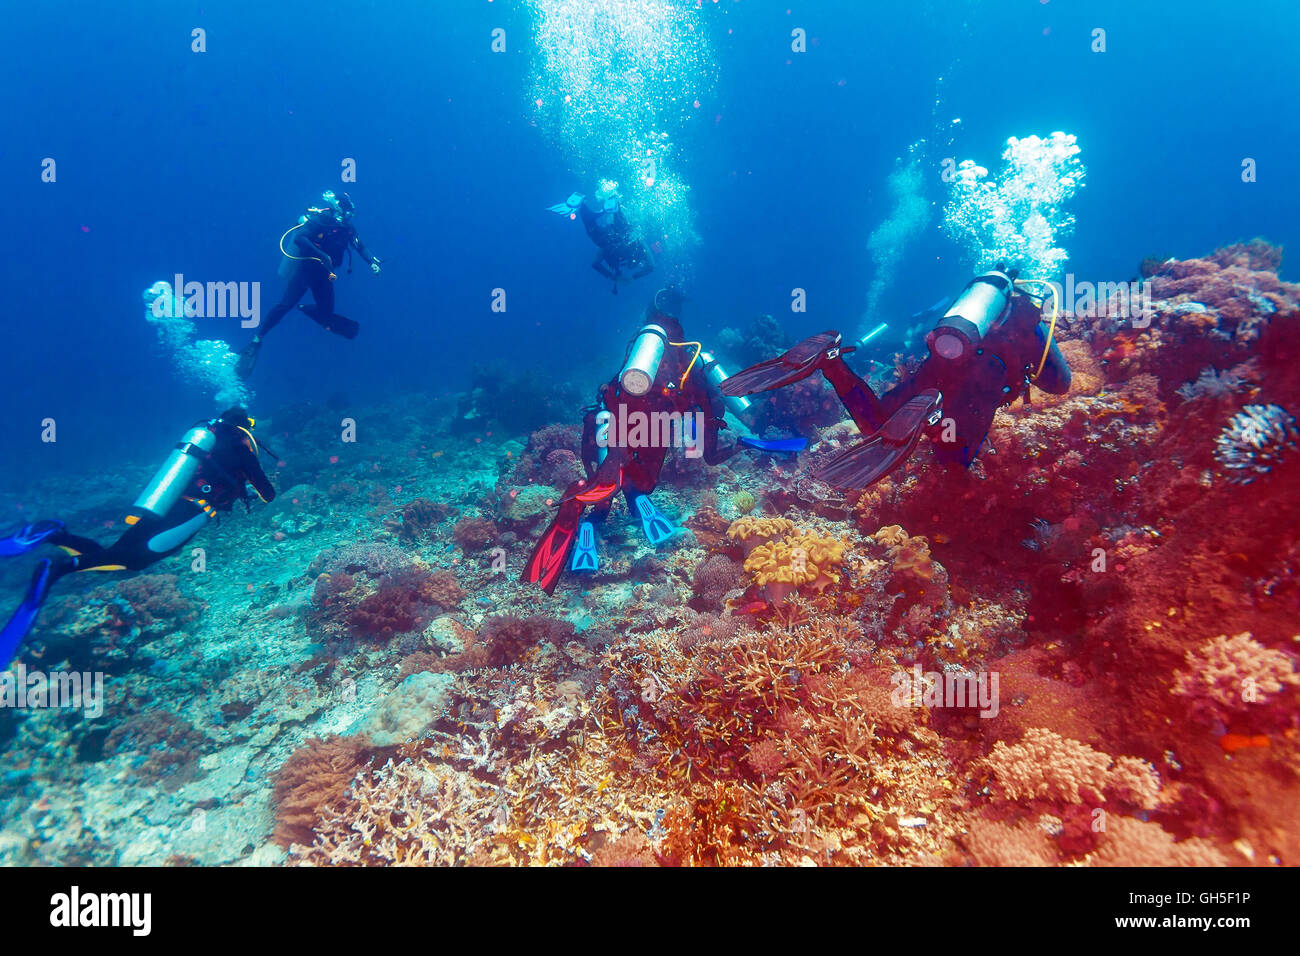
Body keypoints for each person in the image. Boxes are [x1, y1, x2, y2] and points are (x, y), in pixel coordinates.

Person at [524, 288, 804, 594]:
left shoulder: (641, 354)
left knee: (605, 485)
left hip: (615, 422)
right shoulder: (693, 361)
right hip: (659, 426)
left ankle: (593, 519)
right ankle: (638, 498)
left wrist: (615, 450)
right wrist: (731, 439)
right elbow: (710, 422)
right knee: (642, 482)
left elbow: (612, 394)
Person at [722, 267, 1073, 489]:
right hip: (985, 377)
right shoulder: (1028, 319)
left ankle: (832, 361)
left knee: (876, 423)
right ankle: (932, 417)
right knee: (953, 460)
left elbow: (922, 325)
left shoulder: (968, 305)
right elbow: (1060, 383)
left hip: (939, 366)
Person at [0, 407, 276, 665]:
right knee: (135, 561)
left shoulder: (206, 441)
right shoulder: (241, 449)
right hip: (192, 512)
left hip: (162, 504)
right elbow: (268, 493)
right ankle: (57, 569)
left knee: (112, 553)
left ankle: (57, 536)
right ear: (244, 427)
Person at [237, 191, 381, 377]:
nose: (349, 217)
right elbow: (300, 238)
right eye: (347, 213)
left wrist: (372, 262)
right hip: (306, 271)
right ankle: (256, 340)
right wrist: (321, 255)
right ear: (340, 209)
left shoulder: (348, 228)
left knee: (326, 314)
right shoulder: (321, 220)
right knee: (284, 305)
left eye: (350, 215)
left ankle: (304, 308)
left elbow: (359, 245)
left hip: (325, 276)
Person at [548, 179, 654, 292]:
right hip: (614, 238)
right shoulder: (638, 243)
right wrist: (631, 278)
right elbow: (651, 266)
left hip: (613, 236)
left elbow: (595, 263)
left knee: (621, 228)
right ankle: (584, 207)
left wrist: (615, 277)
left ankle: (612, 202)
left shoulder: (635, 241)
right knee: (599, 230)